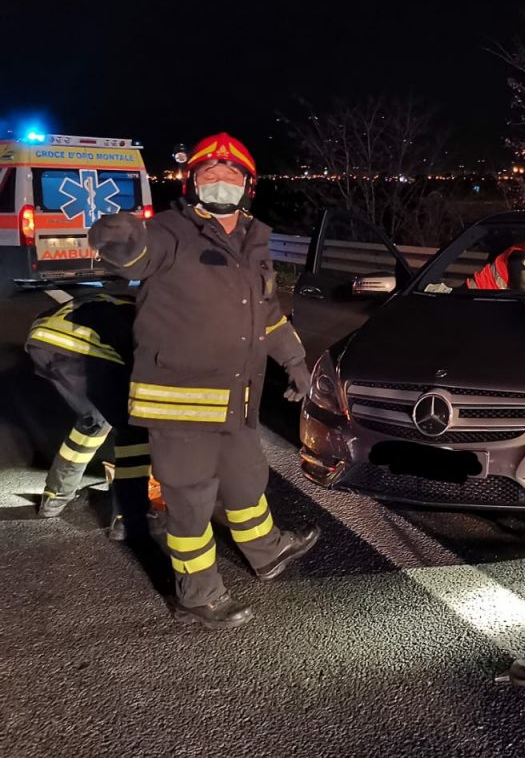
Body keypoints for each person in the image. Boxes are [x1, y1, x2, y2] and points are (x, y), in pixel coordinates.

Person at [88, 131, 320, 630]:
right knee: (190, 503)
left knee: (246, 479)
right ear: (191, 184)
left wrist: (296, 362)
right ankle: (196, 594)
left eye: (230, 175)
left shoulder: (254, 238)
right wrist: (118, 233)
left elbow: (269, 312)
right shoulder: (171, 231)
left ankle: (266, 551)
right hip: (180, 405)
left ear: (248, 185)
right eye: (208, 175)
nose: (219, 182)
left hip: (237, 399)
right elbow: (133, 253)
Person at [27, 292, 152, 539]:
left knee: (94, 419)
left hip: (42, 341)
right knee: (133, 431)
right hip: (83, 346)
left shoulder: (125, 306)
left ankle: (55, 496)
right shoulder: (150, 318)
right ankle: (129, 516)